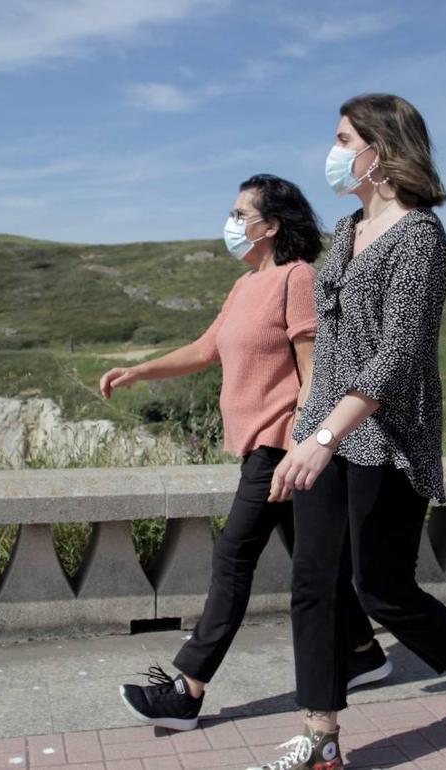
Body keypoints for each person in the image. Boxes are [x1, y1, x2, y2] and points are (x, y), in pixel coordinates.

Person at [249, 95, 446, 770]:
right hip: (327, 430)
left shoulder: (421, 237)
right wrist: (306, 431)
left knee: (381, 588)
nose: (335, 151)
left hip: (388, 434)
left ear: (382, 147)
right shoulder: (345, 232)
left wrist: (327, 436)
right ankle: (320, 737)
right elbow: (331, 346)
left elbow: (397, 353)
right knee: (314, 582)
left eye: (344, 138)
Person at [101, 174, 393, 732]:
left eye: (240, 214)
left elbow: (316, 376)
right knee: (316, 565)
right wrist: (140, 370)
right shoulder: (245, 285)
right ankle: (362, 652)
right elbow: (205, 348)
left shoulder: (297, 279)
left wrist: (303, 448)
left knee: (232, 556)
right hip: (261, 449)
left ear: (271, 225)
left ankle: (187, 690)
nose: (232, 223)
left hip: (279, 445)